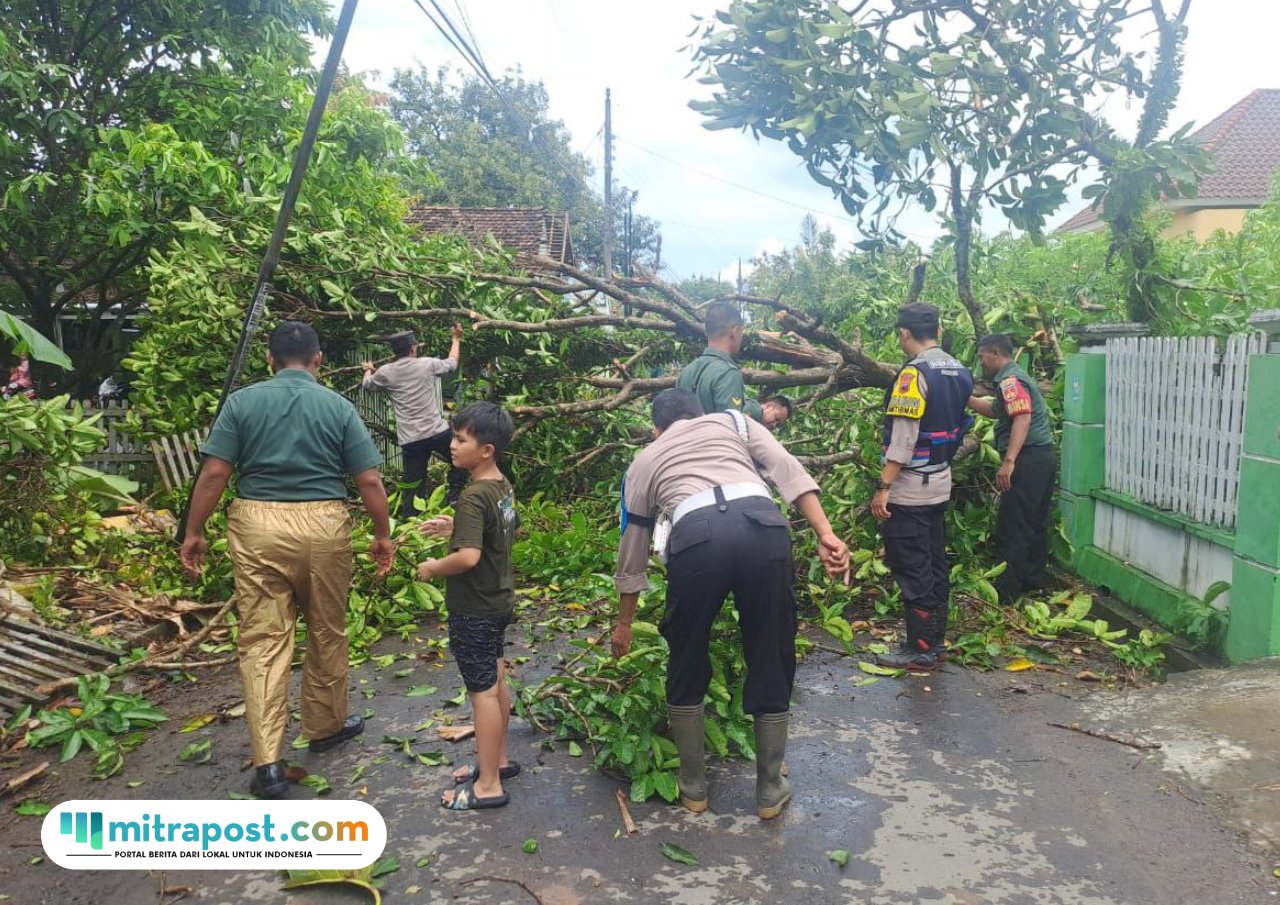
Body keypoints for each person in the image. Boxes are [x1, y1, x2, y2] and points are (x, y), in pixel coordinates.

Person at [613, 389, 850, 820]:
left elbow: (633, 546)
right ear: (700, 414)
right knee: (771, 650)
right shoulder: (735, 422)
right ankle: (769, 789)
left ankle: (693, 788)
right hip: (762, 526)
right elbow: (788, 471)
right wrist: (826, 533)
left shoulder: (644, 460)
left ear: (656, 428)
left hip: (697, 537)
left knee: (686, 652)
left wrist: (625, 623)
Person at [180, 322, 395, 798]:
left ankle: (269, 763)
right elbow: (370, 482)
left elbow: (215, 473)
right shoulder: (338, 406)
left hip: (257, 526)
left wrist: (194, 532)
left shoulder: (242, 403)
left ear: (269, 361)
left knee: (262, 639)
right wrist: (383, 535)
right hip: (323, 525)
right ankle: (325, 727)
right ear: (318, 360)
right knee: (326, 627)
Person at [415, 402, 519, 811]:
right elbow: (503, 533)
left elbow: (469, 557)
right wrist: (454, 526)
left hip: (474, 607)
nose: (453, 446)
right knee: (495, 681)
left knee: (482, 695)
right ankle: (500, 761)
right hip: (498, 601)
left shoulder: (474, 495)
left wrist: (433, 567)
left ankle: (488, 786)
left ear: (486, 449)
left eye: (461, 440)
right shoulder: (501, 487)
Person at [873, 303, 973, 672]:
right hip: (940, 482)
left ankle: (920, 649)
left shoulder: (913, 376)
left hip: (911, 488)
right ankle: (937, 641)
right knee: (935, 565)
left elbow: (903, 438)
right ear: (939, 328)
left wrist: (883, 486)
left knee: (913, 567)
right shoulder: (959, 370)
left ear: (904, 334)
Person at [968, 333, 1057, 605]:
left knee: (1014, 525)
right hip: (1042, 458)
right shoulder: (1013, 378)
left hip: (1027, 459)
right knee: (1034, 522)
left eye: (982, 356)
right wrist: (964, 396)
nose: (981, 362)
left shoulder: (1010, 380)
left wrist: (1009, 461)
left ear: (995, 353)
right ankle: (1034, 582)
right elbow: (997, 410)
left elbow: (1022, 416)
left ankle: (1007, 592)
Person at [362, 325, 467, 517]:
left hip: (412, 439)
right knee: (461, 459)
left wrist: (369, 370)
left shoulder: (385, 372)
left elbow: (367, 385)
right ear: (413, 348)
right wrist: (456, 339)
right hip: (437, 432)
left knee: (414, 483)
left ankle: (412, 521)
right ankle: (455, 495)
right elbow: (452, 363)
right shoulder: (427, 364)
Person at [676, 302, 764, 421]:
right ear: (735, 332)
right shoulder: (728, 373)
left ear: (707, 333)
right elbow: (730, 425)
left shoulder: (686, 372)